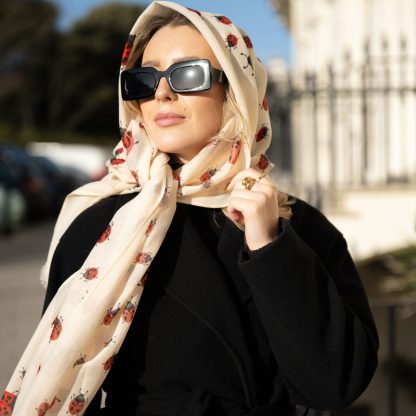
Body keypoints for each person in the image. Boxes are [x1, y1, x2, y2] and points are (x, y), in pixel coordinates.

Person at [1, 1, 378, 415]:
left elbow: (336, 385)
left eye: (188, 74)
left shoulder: (300, 225)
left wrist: (271, 250)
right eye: (144, 79)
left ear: (235, 88)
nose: (162, 91)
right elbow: (63, 384)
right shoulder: (99, 224)